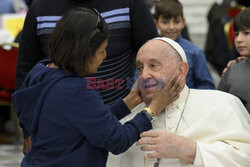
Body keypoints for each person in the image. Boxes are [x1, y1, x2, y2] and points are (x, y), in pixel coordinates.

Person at [12, 8, 180, 167]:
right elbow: (117, 140)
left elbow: (86, 120)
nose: (105, 56)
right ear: (83, 51)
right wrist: (153, 109)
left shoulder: (41, 72)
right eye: (101, 51)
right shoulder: (77, 90)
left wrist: (128, 102)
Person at [107, 37, 250, 167]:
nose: (144, 75)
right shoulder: (128, 120)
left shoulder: (222, 103)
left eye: (154, 65)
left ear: (181, 70)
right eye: (140, 68)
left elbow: (245, 158)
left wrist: (193, 151)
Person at [154, 0, 215, 89]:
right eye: (165, 22)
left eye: (176, 22)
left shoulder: (195, 52)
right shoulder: (148, 51)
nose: (171, 27)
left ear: (183, 22)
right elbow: (140, 82)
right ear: (156, 24)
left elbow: (207, 85)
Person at [218, 7, 250, 113]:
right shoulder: (233, 69)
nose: (239, 39)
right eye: (236, 34)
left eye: (246, 33)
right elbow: (218, 106)